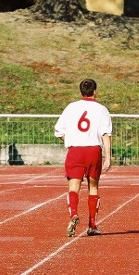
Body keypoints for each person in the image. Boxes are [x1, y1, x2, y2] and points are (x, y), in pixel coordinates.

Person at [54, 78, 112, 237]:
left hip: (75, 150)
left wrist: (70, 140)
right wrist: (108, 157)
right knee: (93, 186)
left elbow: (58, 131)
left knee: (74, 187)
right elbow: (105, 134)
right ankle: (92, 225)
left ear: (81, 92)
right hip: (93, 151)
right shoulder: (101, 109)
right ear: (95, 92)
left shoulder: (71, 107)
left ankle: (73, 213)